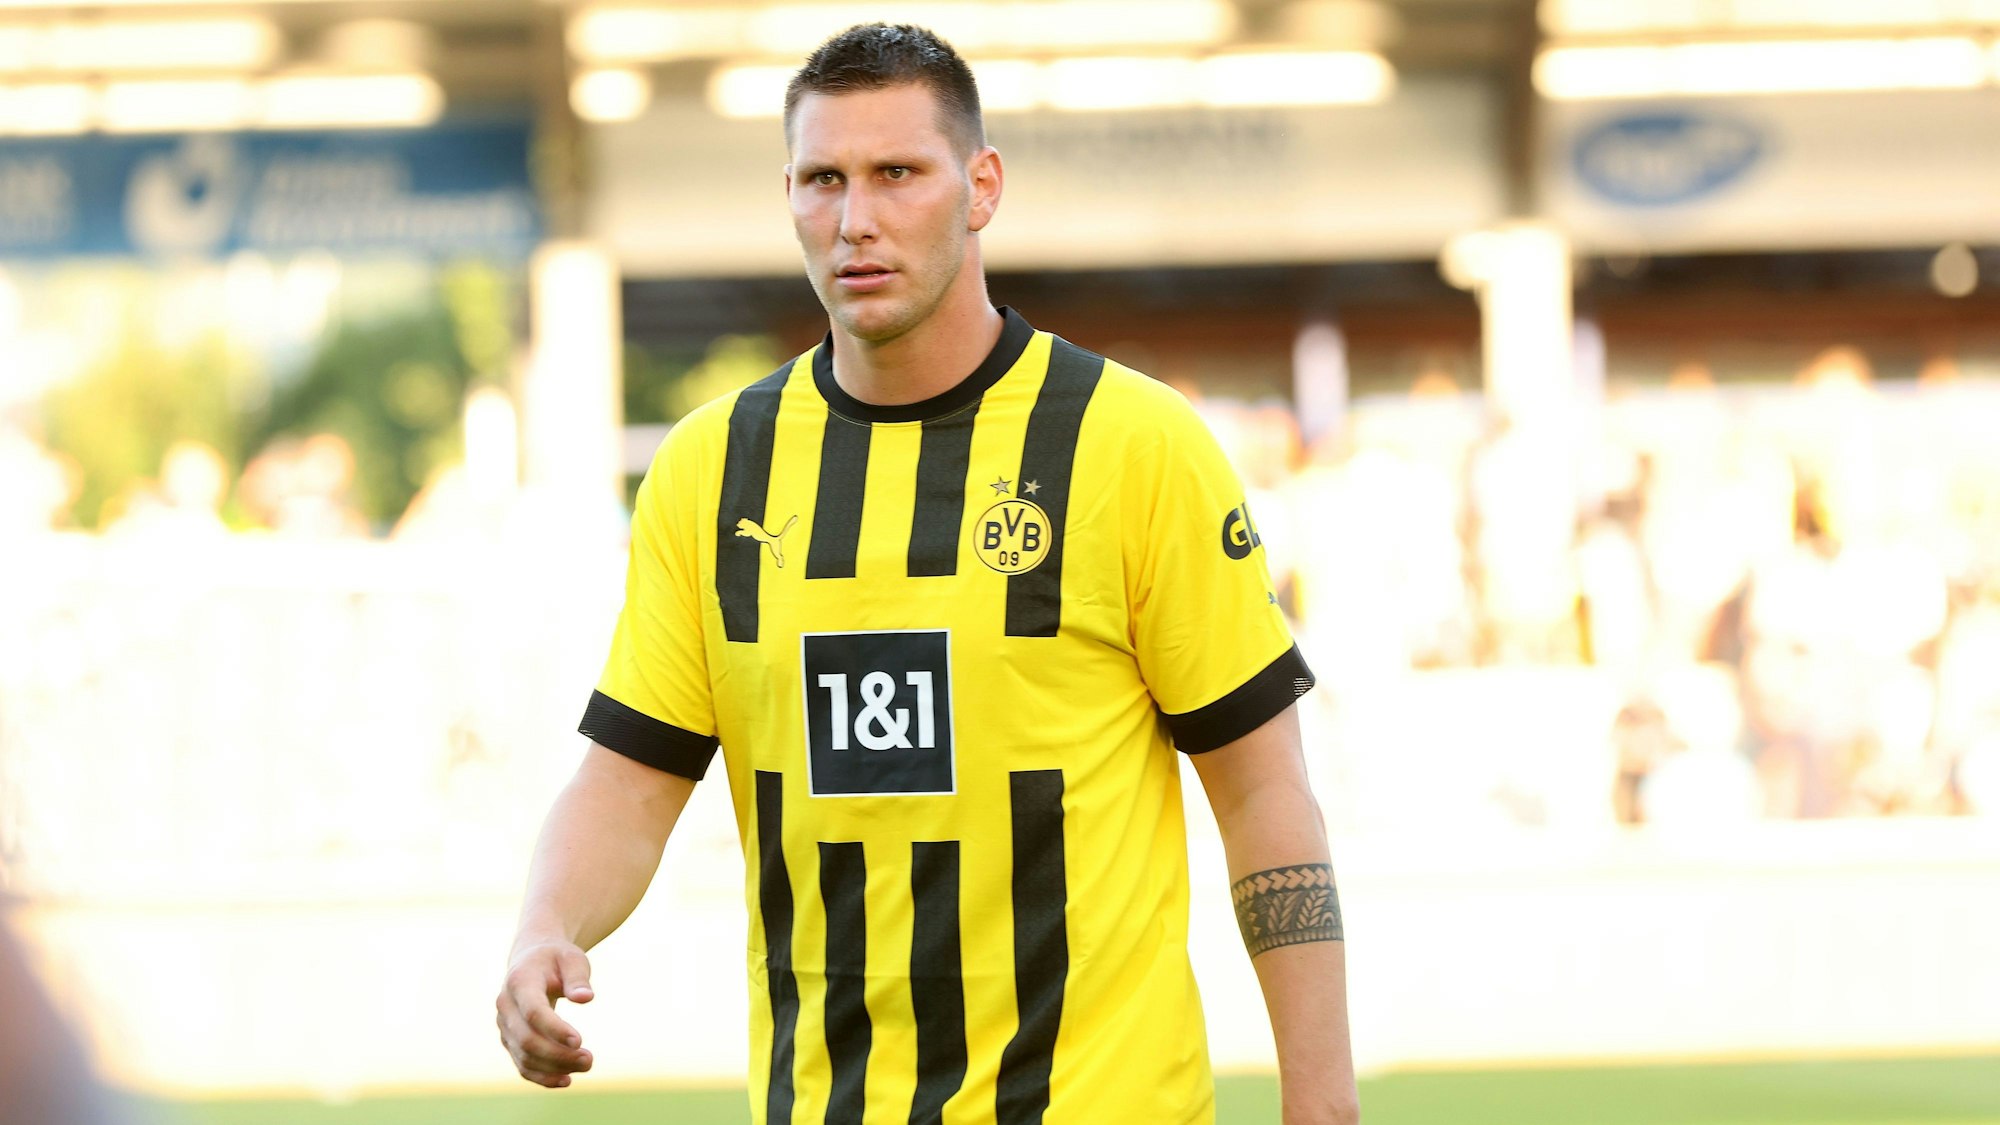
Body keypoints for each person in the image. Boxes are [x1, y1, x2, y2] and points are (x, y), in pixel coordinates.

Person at [497, 23, 1356, 1125]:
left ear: (980, 186)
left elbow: (1261, 789)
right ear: (789, 196)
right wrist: (545, 926)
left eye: (897, 173)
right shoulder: (712, 469)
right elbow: (628, 780)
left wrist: (1320, 1102)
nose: (855, 218)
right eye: (823, 179)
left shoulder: (1133, 445)